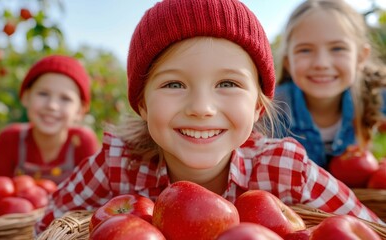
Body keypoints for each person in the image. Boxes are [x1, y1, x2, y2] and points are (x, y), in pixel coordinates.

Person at [36, 0, 384, 233]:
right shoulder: (116, 168)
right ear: (141, 104)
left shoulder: (285, 171)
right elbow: (47, 227)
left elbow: (365, 229)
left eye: (228, 83)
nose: (201, 107)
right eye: (174, 84)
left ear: (258, 106)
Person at [274, 0, 386, 169]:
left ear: (361, 57)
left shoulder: (378, 98)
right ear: (288, 62)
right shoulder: (270, 112)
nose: (321, 63)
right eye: (305, 50)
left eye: (337, 48)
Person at [0, 55, 99, 184]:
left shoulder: (83, 142)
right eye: (43, 94)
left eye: (65, 98)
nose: (52, 105)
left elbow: (96, 196)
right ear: (26, 97)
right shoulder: (10, 139)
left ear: (80, 110)